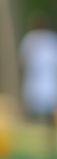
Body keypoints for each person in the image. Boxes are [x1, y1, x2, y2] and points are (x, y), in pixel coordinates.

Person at [20, 14, 57, 150]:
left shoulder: (51, 39)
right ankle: (43, 136)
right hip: (36, 78)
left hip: (48, 79)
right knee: (38, 107)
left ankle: (49, 136)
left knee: (49, 107)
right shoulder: (31, 39)